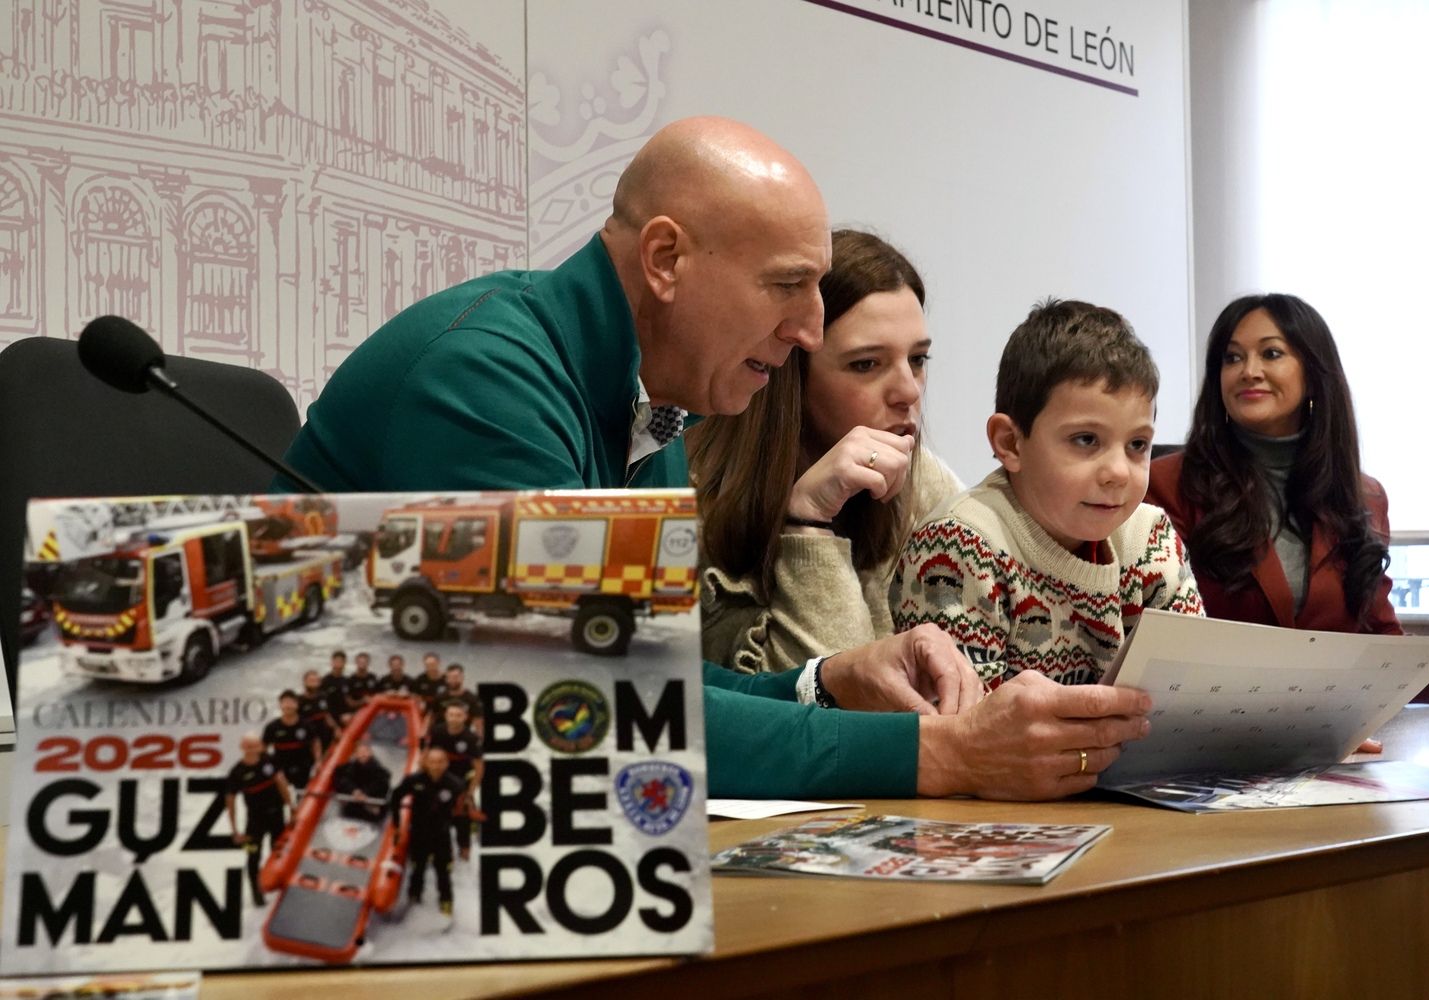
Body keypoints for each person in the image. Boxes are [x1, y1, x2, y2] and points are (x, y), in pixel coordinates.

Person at [278, 116, 1151, 801]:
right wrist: (946, 754)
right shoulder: (484, 379)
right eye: (786, 285)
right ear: (665, 259)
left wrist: (827, 680)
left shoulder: (651, 409)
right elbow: (584, 705)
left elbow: (645, 671)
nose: (809, 328)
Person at [1146, 293, 1429, 702]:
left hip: (1320, 741)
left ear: (1313, 374)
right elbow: (1160, 644)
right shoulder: (1165, 484)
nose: (1249, 371)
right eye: (1231, 358)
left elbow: (1381, 648)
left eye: (1271, 353)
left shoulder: (1363, 497)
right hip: (1201, 732)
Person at [689, 229, 962, 675]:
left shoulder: (922, 481)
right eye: (866, 364)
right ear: (789, 377)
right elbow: (827, 713)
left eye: (917, 359)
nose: (908, 391)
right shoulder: (694, 509)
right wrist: (809, 524)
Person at [893, 299, 1204, 686]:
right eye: (1086, 440)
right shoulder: (960, 545)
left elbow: (1190, 690)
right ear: (1011, 443)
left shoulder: (1151, 539)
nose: (1118, 472)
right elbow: (963, 725)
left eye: (1138, 445)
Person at [389, 747, 466, 916]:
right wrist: (397, 824)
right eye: (432, 762)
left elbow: (462, 815)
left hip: (442, 835)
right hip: (419, 833)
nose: (436, 766)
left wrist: (463, 843)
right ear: (426, 763)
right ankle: (414, 900)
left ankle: (446, 904)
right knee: (417, 869)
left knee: (443, 872)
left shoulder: (456, 784)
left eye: (440, 762)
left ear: (446, 764)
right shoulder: (414, 780)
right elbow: (395, 797)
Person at [224, 733, 292, 906]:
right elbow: (230, 801)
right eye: (250, 747)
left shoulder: (269, 760)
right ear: (243, 748)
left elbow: (281, 781)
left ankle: (280, 886)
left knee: (279, 852)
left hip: (276, 815)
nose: (255, 750)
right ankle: (256, 891)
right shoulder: (236, 772)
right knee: (252, 855)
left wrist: (291, 806)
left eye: (257, 746)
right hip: (254, 821)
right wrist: (234, 830)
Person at [424, 702, 483, 861]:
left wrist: (471, 792)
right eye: (451, 715)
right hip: (438, 777)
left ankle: (464, 847)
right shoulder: (437, 731)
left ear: (464, 717)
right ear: (445, 716)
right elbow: (426, 754)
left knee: (461, 816)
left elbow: (479, 767)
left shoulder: (471, 739)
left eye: (458, 715)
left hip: (461, 780)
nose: (454, 718)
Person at [262, 690, 319, 789]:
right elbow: (263, 748)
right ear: (280, 705)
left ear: (297, 705)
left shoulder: (306, 724)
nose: (288, 706)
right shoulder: (272, 727)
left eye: (291, 702)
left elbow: (315, 742)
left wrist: (318, 761)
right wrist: (269, 766)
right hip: (281, 770)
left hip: (304, 768)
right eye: (285, 703)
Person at [332, 740, 391, 820]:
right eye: (360, 752)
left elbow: (382, 784)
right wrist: (354, 791)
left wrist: (365, 793)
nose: (363, 754)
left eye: (365, 752)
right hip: (354, 801)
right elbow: (342, 779)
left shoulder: (380, 770)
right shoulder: (348, 768)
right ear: (355, 755)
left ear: (370, 753)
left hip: (371, 803)